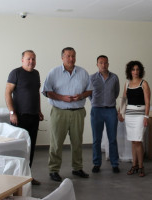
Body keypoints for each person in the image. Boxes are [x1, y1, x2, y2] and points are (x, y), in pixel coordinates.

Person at [42, 47, 93, 182]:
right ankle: (53, 170)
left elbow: (90, 90)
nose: (71, 59)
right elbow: (46, 91)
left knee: (77, 142)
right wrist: (61, 97)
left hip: (77, 113)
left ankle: (77, 168)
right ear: (62, 57)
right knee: (56, 143)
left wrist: (82, 95)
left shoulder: (83, 72)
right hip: (59, 112)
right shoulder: (54, 72)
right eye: (68, 56)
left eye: (73, 56)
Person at [5, 50, 44, 185]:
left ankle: (28, 177)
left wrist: (39, 110)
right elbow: (7, 93)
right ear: (22, 60)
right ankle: (17, 179)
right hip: (19, 117)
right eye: (28, 59)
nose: (31, 61)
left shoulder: (36, 74)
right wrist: (12, 113)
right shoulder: (15, 73)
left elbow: (36, 93)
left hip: (33, 117)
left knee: (31, 148)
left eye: (33, 59)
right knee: (20, 148)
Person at [118, 61, 150, 177]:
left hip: (140, 115)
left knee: (138, 141)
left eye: (137, 69)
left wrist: (146, 116)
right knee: (133, 141)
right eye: (133, 69)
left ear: (140, 70)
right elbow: (124, 99)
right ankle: (134, 165)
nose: (135, 72)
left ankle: (141, 166)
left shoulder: (144, 83)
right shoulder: (127, 84)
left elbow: (147, 102)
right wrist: (120, 113)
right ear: (129, 71)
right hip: (129, 115)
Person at [90, 55, 120, 173]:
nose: (103, 65)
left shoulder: (114, 78)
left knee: (112, 138)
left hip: (111, 111)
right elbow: (88, 94)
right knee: (96, 139)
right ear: (97, 64)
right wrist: (95, 103)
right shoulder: (91, 78)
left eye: (105, 63)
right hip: (96, 110)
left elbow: (116, 93)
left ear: (108, 64)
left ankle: (114, 163)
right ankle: (96, 163)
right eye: (101, 63)